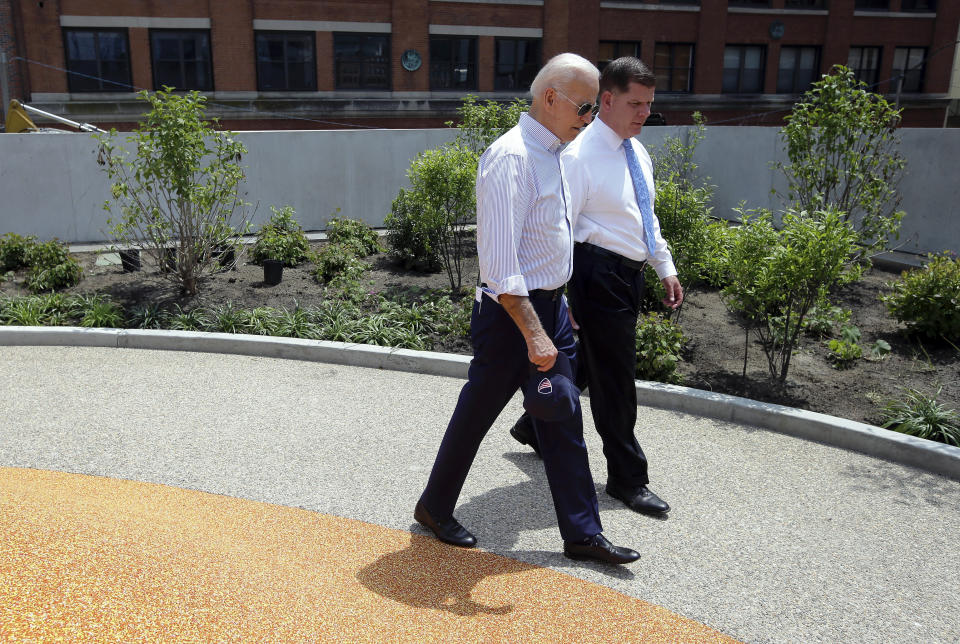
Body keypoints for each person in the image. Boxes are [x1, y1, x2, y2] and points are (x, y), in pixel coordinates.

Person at [414, 53, 640, 565]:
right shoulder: (511, 157)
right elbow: (499, 264)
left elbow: (550, 241)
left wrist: (560, 301)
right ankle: (434, 506)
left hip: (548, 310)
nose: (591, 118)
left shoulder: (556, 154)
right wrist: (535, 333)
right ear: (551, 98)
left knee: (562, 414)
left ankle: (582, 533)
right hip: (510, 316)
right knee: (476, 416)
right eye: (586, 107)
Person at [510, 57, 683, 516]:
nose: (645, 112)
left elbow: (644, 215)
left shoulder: (637, 151)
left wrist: (664, 266)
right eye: (635, 103)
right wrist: (561, 295)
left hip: (629, 274)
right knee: (616, 377)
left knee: (591, 360)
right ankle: (628, 479)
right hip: (594, 273)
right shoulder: (580, 155)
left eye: (649, 103)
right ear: (607, 99)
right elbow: (560, 226)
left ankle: (533, 427)